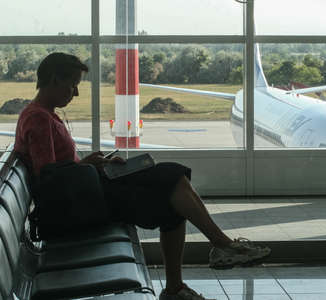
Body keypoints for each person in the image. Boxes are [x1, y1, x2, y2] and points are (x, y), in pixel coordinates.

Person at [13, 52, 271, 300]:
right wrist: (89, 167)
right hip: (76, 207)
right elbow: (49, 177)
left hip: (84, 195)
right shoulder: (38, 118)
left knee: (173, 192)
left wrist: (92, 163)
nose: (76, 93)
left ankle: (182, 283)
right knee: (172, 178)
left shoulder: (43, 115)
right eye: (72, 85)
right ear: (55, 79)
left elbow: (58, 168)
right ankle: (217, 249)